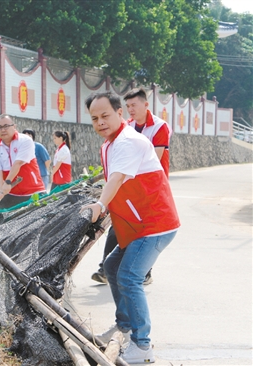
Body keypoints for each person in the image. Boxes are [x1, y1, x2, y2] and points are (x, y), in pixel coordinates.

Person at [81, 91, 180, 364]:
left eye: (105, 115)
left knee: (129, 277)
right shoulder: (108, 144)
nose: (101, 122)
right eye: (95, 118)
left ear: (120, 113)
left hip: (155, 223)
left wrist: (100, 205)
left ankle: (142, 345)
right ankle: (123, 327)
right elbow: (112, 181)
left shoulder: (129, 141)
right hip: (137, 225)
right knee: (112, 268)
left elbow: (117, 179)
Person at [92, 88, 172, 285]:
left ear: (146, 105)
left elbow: (155, 156)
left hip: (148, 189)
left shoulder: (159, 127)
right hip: (127, 187)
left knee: (146, 234)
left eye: (133, 105)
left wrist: (104, 200)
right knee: (119, 227)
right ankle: (107, 268)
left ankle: (142, 271)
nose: (130, 110)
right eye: (127, 106)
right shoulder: (124, 127)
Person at [0, 114, 46, 210]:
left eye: (6, 126)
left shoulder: (25, 141)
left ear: (14, 127)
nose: (3, 130)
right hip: (12, 193)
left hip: (33, 191)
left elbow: (18, 163)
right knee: (1, 216)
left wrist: (8, 182)